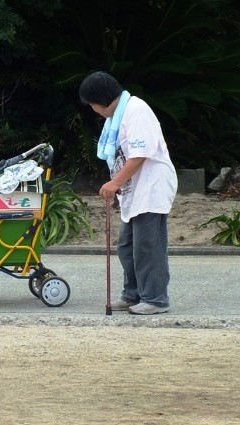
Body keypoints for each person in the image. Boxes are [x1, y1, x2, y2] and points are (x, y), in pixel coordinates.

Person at [79, 71, 178, 315]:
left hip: (151, 187)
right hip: (135, 189)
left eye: (92, 103)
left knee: (148, 245)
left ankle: (155, 298)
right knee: (127, 245)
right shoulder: (117, 116)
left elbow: (140, 154)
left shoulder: (136, 110)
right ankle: (133, 295)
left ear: (102, 99)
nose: (92, 109)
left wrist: (114, 183)